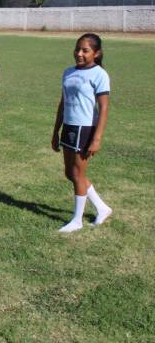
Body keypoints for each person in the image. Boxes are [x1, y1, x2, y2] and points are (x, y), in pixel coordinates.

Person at [51, 33, 112, 232]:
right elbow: (63, 102)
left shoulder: (99, 74)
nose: (79, 53)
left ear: (96, 53)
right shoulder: (68, 72)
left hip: (85, 128)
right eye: (77, 49)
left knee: (77, 173)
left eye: (85, 50)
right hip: (69, 126)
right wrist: (56, 130)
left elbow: (103, 108)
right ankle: (102, 208)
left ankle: (77, 220)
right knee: (70, 172)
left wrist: (97, 138)